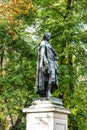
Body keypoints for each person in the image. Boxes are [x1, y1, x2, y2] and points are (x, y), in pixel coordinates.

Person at [35, 32, 58, 97]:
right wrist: (46, 63)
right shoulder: (43, 43)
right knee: (48, 77)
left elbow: (54, 55)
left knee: (52, 78)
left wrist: (55, 56)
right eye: (48, 36)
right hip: (47, 62)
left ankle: (48, 92)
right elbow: (42, 54)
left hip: (52, 62)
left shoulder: (49, 44)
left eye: (49, 36)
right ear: (45, 36)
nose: (49, 37)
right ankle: (47, 92)